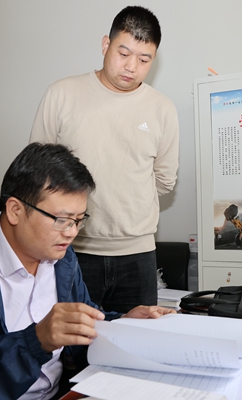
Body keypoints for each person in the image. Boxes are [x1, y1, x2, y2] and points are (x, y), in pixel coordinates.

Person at [0, 142, 174, 400]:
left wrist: (122, 324)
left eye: (79, 220)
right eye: (62, 219)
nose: (71, 232)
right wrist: (35, 342)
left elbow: (78, 325)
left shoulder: (61, 258)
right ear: (15, 211)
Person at [29, 6, 179, 313]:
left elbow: (164, 180)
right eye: (123, 53)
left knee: (137, 339)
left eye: (144, 59)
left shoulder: (162, 109)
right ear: (105, 45)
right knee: (71, 341)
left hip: (138, 255)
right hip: (71, 250)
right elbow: (37, 171)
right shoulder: (62, 94)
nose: (131, 66)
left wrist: (127, 203)